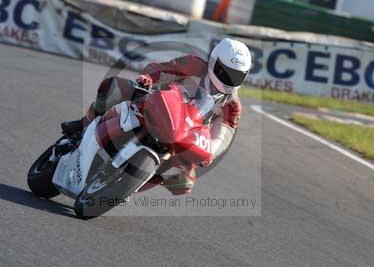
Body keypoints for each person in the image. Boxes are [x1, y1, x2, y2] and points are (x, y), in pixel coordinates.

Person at [61, 38, 252, 195]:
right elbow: (161, 68)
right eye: (225, 72)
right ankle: (83, 125)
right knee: (114, 88)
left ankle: (131, 185)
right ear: (214, 62)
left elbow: (223, 135)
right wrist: (148, 79)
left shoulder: (232, 105)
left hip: (183, 136)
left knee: (185, 182)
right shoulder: (195, 65)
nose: (229, 80)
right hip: (155, 106)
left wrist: (211, 152)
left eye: (236, 76)